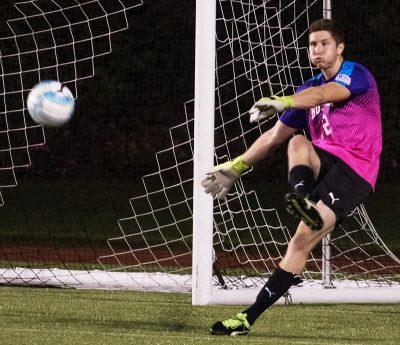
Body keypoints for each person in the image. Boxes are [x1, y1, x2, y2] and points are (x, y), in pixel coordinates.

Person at [201, 18, 382, 336]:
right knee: (297, 141)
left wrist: (283, 101)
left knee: (301, 238)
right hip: (324, 163)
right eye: (312, 44)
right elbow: (274, 137)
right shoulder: (305, 90)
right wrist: (237, 166)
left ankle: (306, 203)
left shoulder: (355, 73)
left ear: (339, 48)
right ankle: (245, 320)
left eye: (324, 43)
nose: (317, 50)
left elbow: (328, 93)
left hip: (355, 171)